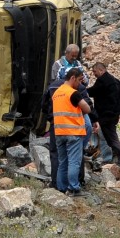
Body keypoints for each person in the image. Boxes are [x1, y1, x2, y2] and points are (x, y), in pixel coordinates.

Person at [50, 66, 93, 196]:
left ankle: (61, 187)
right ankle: (74, 188)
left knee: (62, 162)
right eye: (79, 80)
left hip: (59, 132)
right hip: (73, 132)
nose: (80, 83)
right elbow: (87, 109)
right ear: (72, 77)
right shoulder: (73, 93)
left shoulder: (57, 93)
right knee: (74, 161)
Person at [87, 61, 120, 166]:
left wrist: (82, 91)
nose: (94, 74)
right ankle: (117, 157)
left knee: (110, 137)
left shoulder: (103, 80)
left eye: (95, 71)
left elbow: (93, 91)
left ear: (101, 70)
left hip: (106, 115)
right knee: (109, 136)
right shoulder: (115, 80)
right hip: (113, 114)